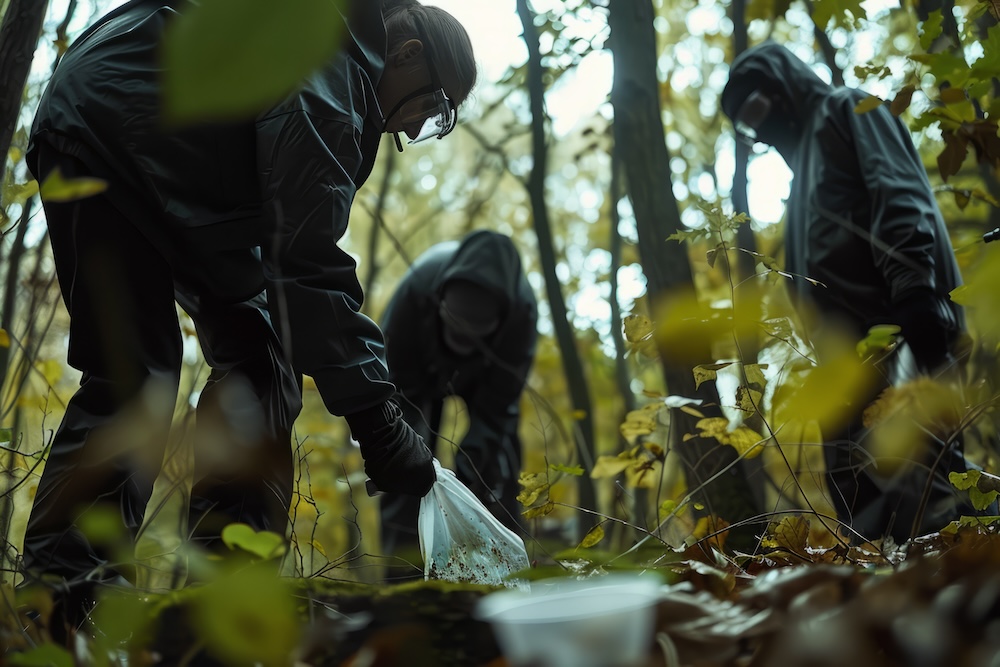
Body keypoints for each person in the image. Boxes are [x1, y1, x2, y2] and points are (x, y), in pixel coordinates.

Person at [21, 0, 476, 637]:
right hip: (122, 128)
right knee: (137, 375)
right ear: (407, 55)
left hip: (164, 155)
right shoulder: (334, 64)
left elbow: (283, 252)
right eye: (430, 106)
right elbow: (306, 267)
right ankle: (64, 605)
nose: (411, 128)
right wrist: (379, 421)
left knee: (259, 356)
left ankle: (219, 598)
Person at [721, 40, 973, 543]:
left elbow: (896, 189)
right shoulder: (803, 174)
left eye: (756, 107)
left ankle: (966, 596)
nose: (758, 127)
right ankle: (883, 612)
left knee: (928, 494)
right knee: (868, 519)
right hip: (848, 364)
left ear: (781, 87)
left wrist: (915, 293)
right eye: (745, 122)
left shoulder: (847, 110)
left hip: (901, 332)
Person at [377, 230, 537, 566]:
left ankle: (504, 570)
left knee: (495, 463)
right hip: (417, 373)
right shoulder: (416, 289)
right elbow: (392, 388)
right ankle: (402, 575)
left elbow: (498, 407)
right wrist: (410, 453)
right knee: (403, 462)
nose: (462, 338)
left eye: (472, 331)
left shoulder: (520, 314)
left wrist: (473, 472)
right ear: (440, 303)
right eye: (455, 326)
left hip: (485, 377)